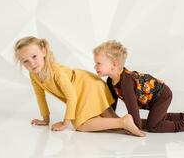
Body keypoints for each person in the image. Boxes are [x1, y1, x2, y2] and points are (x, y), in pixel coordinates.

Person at [14, 36, 145, 137]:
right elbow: (40, 96)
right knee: (107, 116)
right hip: (89, 84)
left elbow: (71, 96)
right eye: (26, 61)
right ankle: (131, 124)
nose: (31, 63)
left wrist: (65, 123)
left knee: (81, 125)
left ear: (43, 51)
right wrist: (45, 119)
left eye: (34, 56)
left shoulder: (55, 71)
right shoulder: (34, 75)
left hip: (87, 87)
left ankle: (123, 122)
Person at [93, 40, 184, 132]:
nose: (95, 67)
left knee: (153, 125)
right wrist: (109, 122)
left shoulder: (126, 82)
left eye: (98, 63)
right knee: (157, 117)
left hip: (162, 95)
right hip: (152, 99)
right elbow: (112, 106)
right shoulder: (110, 81)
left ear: (114, 64)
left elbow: (133, 111)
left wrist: (134, 128)